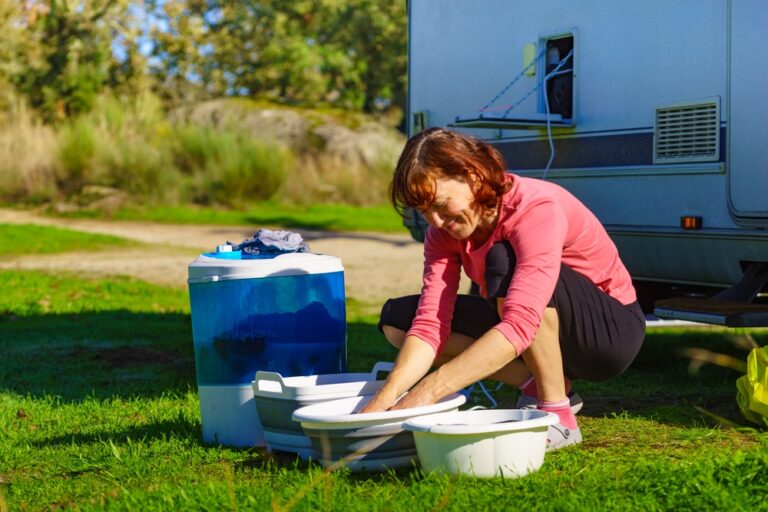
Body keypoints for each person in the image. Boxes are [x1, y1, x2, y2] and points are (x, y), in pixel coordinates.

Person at [360, 127, 646, 450]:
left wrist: (427, 392)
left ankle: (558, 416)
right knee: (399, 321)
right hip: (533, 324)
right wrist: (380, 406)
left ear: (472, 176)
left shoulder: (535, 209)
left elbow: (522, 322)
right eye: (424, 212)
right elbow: (430, 325)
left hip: (608, 334)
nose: (435, 221)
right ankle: (534, 385)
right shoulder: (442, 234)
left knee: (503, 259)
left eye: (440, 204)